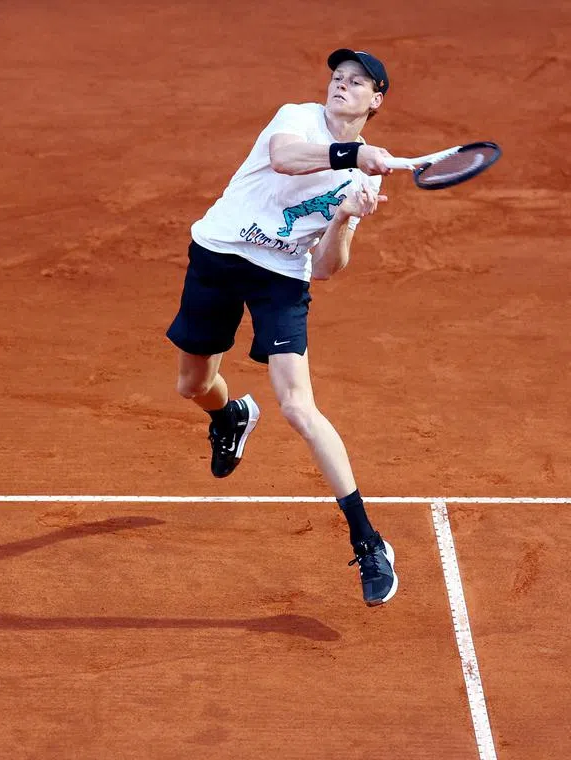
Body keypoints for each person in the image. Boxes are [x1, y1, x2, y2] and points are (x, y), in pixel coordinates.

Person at [166, 49, 399, 606]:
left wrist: (346, 217)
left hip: (281, 276)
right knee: (192, 385)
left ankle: (368, 541)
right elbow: (287, 158)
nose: (341, 85)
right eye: (338, 78)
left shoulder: (357, 180)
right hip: (220, 252)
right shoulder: (296, 118)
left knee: (297, 405)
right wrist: (355, 154)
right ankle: (231, 414)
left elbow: (324, 267)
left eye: (356, 82)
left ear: (376, 100)